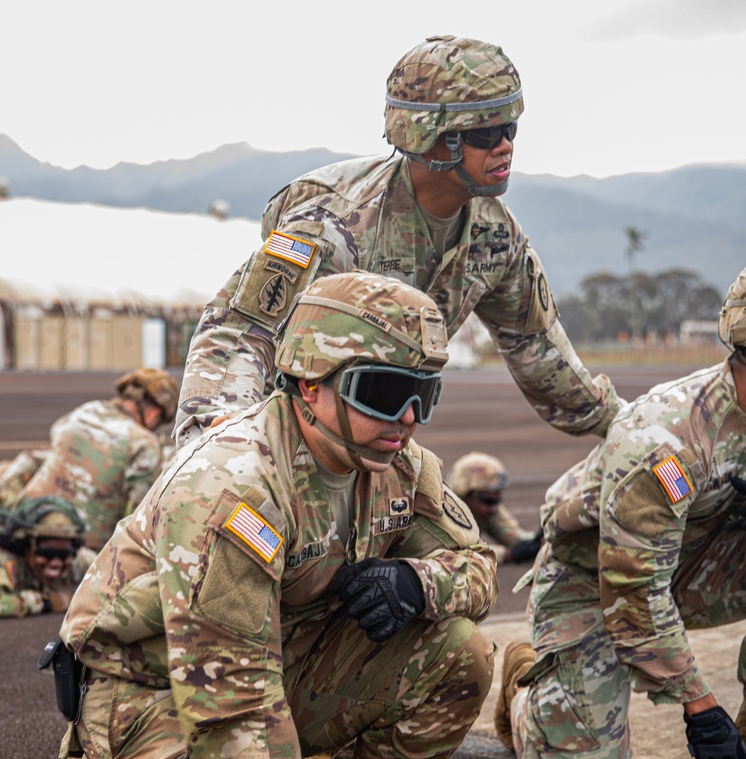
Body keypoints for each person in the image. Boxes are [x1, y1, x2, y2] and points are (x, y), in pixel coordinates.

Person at [25, 272, 498, 759]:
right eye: (382, 392)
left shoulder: (397, 466)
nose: (407, 419)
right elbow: (231, 698)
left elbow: (478, 566)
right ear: (309, 384)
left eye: (421, 396)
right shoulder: (235, 486)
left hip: (274, 664)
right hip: (155, 693)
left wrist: (418, 580)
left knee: (461, 654)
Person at [495, 246, 746, 759]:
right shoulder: (666, 437)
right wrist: (700, 707)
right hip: (595, 581)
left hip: (689, 567)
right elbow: (633, 591)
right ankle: (526, 687)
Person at [173, 34, 617, 449]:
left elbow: (537, 348)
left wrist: (625, 425)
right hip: (289, 439)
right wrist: (218, 445)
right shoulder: (333, 225)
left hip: (382, 443)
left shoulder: (496, 238)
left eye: (510, 130)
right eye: (485, 134)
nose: (505, 147)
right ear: (427, 138)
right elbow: (239, 330)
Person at [11, 368, 179, 551]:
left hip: (23, 528)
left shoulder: (85, 411)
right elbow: (137, 516)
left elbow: (57, 440)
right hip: (79, 549)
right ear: (154, 413)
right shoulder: (145, 444)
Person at [0, 496, 89, 620]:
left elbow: (108, 575)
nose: (56, 563)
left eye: (64, 555)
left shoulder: (76, 558)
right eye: (46, 553)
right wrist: (48, 603)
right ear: (27, 548)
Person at [446, 451, 543, 565]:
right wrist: (506, 554)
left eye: (496, 502)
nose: (493, 509)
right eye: (488, 501)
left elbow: (513, 536)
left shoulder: (483, 507)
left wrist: (538, 541)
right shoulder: (443, 515)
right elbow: (457, 554)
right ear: (465, 495)